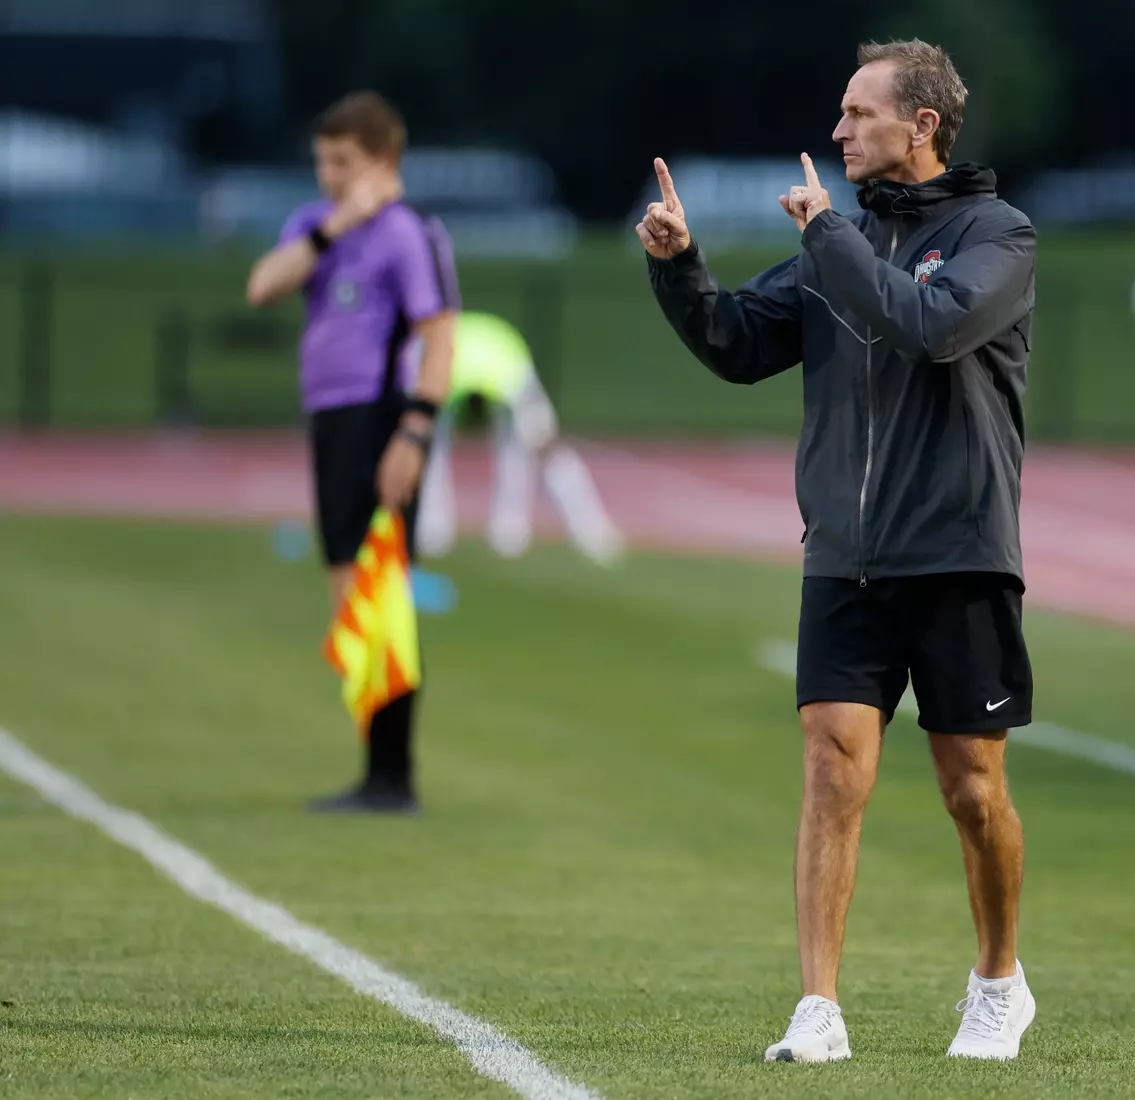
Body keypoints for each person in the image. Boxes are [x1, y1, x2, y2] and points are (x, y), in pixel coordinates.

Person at [640, 39, 1037, 1062]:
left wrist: (828, 241)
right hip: (846, 554)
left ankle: (999, 981)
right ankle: (818, 1006)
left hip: (957, 550)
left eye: (859, 113)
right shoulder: (839, 244)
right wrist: (678, 265)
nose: (837, 130)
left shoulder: (997, 234)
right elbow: (734, 342)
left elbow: (930, 327)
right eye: (841, 112)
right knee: (830, 765)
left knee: (972, 789)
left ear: (922, 127)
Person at [245, 91, 459, 814]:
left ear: (383, 162)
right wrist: (336, 223)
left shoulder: (406, 233)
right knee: (350, 597)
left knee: (380, 593)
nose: (329, 174)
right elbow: (262, 287)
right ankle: (378, 769)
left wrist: (416, 431)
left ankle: (391, 775)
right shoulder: (318, 226)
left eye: (344, 162)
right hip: (333, 421)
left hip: (381, 419)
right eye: (322, 162)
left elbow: (439, 335)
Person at [415, 311, 624, 565]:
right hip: (457, 362)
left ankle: (575, 530)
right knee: (429, 446)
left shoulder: (506, 376)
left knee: (537, 448)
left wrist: (541, 436)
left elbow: (542, 442)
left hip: (509, 364)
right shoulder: (442, 372)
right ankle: (434, 528)